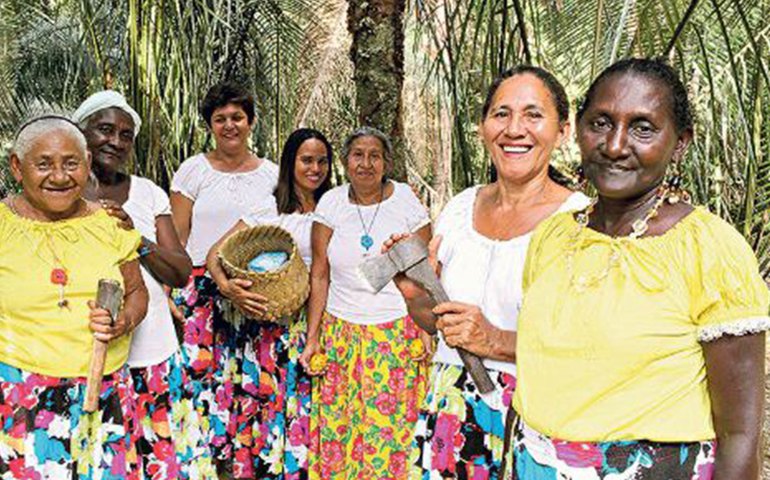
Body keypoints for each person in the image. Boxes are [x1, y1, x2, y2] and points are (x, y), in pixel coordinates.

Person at [507, 58, 769, 479]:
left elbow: (740, 435)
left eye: (643, 128)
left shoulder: (709, 248)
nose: (615, 145)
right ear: (579, 128)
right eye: (601, 123)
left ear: (680, 142)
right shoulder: (552, 237)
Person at [385, 66, 589, 478]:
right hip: (453, 410)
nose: (515, 129)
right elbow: (436, 322)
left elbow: (586, 346)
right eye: (501, 114)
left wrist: (495, 341)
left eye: (533, 115)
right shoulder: (460, 208)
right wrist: (416, 295)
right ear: (482, 127)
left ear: (563, 131)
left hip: (535, 416)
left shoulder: (580, 221)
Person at [73, 90, 216, 479]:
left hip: (153, 353)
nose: (115, 141)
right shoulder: (60, 194)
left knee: (164, 461)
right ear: (80, 132)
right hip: (87, 360)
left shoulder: (148, 193)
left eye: (125, 135)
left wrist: (135, 237)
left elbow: (180, 272)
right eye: (104, 129)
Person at [0, 115, 148, 478]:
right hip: (18, 393)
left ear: (86, 166)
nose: (60, 176)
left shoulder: (110, 223)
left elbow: (137, 292)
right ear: (17, 168)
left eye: (71, 163)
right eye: (44, 164)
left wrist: (123, 321)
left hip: (103, 390)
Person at [298, 127, 432, 479]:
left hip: (396, 334)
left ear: (386, 162)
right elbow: (320, 274)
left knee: (392, 429)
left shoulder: (403, 199)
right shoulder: (331, 204)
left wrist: (427, 329)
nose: (366, 163)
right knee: (340, 426)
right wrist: (313, 338)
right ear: (345, 161)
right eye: (358, 154)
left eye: (375, 155)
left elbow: (427, 268)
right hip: (341, 334)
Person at [205, 128, 333, 478]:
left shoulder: (336, 206)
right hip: (269, 329)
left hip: (316, 323)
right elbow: (215, 254)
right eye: (306, 160)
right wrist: (228, 288)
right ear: (290, 162)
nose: (315, 168)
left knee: (308, 411)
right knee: (269, 410)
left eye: (322, 161)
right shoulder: (269, 207)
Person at [170, 81, 279, 470]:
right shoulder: (193, 171)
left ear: (250, 122)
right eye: (220, 119)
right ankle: (202, 466)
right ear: (209, 126)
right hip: (201, 292)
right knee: (200, 380)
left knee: (252, 383)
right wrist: (169, 290)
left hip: (256, 294)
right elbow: (177, 237)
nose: (229, 125)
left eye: (237, 117)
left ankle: (246, 466)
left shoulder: (272, 174)